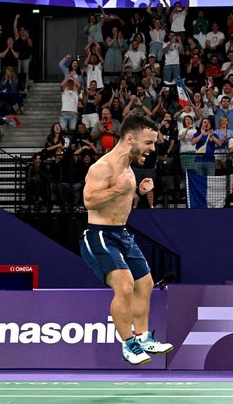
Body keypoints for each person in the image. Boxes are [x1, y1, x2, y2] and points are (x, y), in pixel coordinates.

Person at [79, 113, 173, 366]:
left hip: (122, 233)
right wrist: (119, 190)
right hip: (99, 235)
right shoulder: (102, 167)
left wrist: (138, 192)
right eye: (149, 143)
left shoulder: (129, 170)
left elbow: (120, 202)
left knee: (146, 283)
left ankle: (143, 337)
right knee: (125, 285)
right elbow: (89, 201)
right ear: (130, 139)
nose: (152, 149)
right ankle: (128, 344)